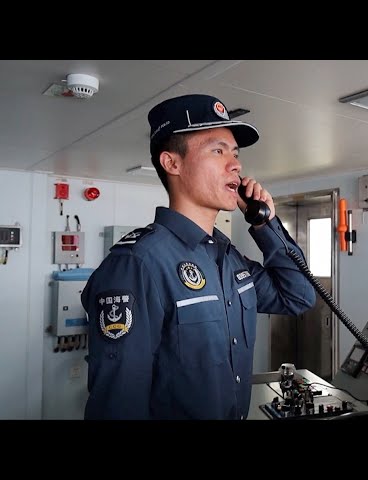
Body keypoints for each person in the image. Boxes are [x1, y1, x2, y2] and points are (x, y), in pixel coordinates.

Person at [81, 93, 316, 420]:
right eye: (218, 151)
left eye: (235, 154)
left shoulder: (228, 259)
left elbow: (299, 296)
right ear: (171, 163)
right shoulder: (138, 264)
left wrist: (266, 223)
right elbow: (119, 405)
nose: (235, 164)